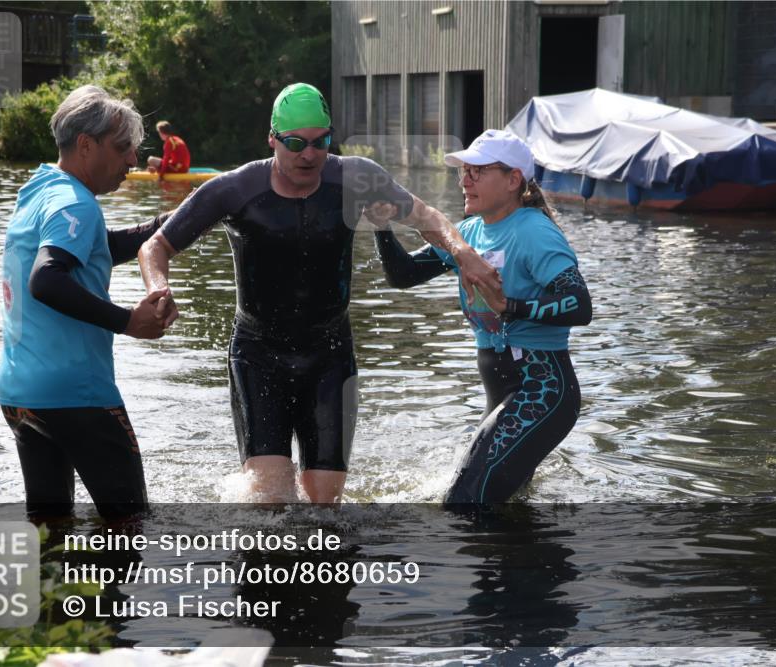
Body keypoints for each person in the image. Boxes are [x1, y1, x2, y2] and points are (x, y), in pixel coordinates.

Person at [138, 83, 500, 504]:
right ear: (272, 139)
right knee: (270, 502)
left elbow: (427, 217)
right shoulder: (235, 189)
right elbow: (156, 246)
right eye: (295, 143)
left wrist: (463, 253)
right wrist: (158, 286)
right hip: (259, 354)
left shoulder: (356, 177)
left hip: (329, 353)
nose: (309, 154)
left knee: (325, 507)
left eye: (320, 141)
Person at [368, 129, 592, 504]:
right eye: (463, 171)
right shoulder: (468, 232)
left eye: (477, 171)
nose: (464, 180)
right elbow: (404, 275)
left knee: (462, 503)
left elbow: (579, 304)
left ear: (513, 180)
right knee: (493, 504)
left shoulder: (535, 232)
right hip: (502, 391)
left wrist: (511, 308)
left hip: (542, 390)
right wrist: (381, 225)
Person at [0, 85, 176, 520]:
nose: (132, 161)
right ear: (85, 145)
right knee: (132, 527)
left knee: (48, 534)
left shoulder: (42, 187)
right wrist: (127, 321)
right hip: (77, 395)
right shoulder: (75, 202)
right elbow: (46, 279)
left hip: (22, 394)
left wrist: (173, 223)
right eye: (122, 149)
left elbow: (94, 248)